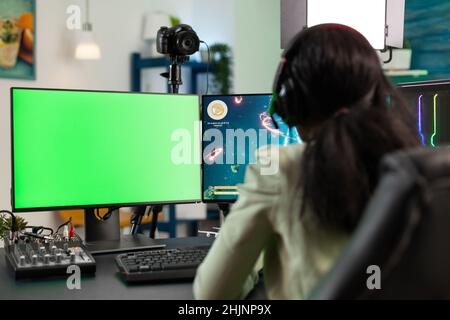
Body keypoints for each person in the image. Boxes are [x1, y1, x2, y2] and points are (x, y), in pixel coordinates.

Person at [193, 24, 420, 300]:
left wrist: (258, 253)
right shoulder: (413, 168)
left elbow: (211, 294)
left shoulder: (282, 169)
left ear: (290, 100)